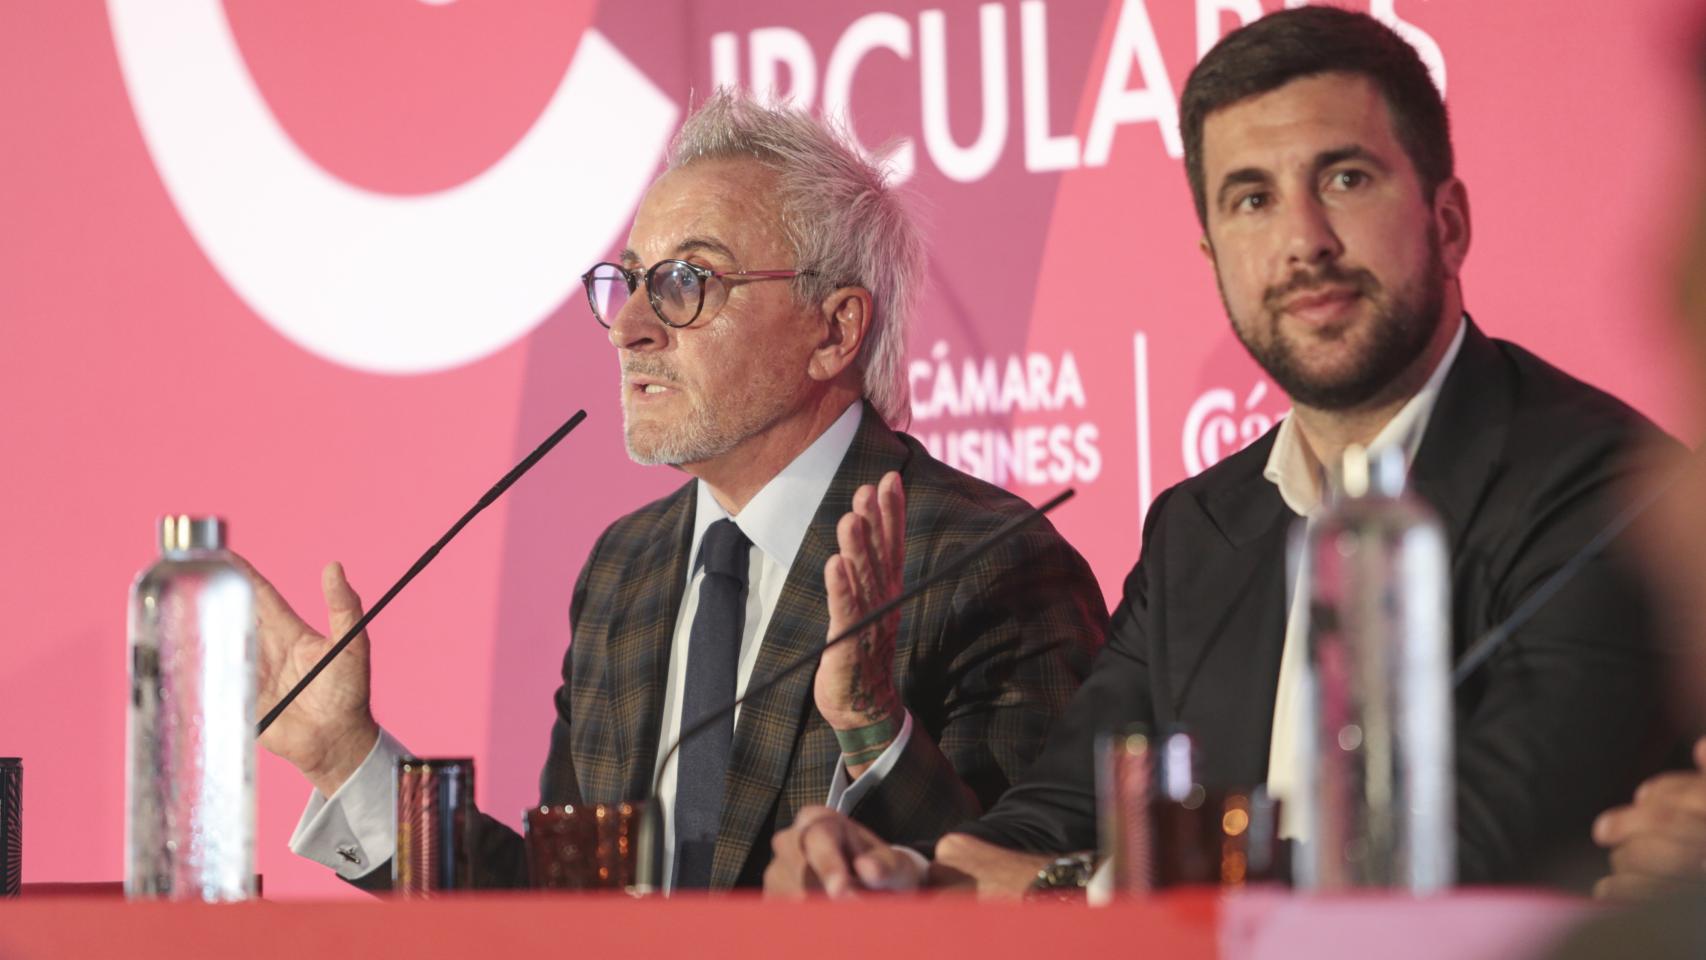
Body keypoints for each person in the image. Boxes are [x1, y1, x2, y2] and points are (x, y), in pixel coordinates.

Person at [765, 6, 1675, 898]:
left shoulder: (1614, 492)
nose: (1303, 241)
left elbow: (1481, 852)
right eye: (1253, 199)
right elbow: (1055, 816)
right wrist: (903, 872)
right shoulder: (1199, 530)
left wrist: (1073, 887)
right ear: (1213, 256)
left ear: (1449, 223)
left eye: (1346, 179)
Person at [250, 89, 1107, 891]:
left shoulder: (989, 564)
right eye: (630, 281)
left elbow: (1032, 898)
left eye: (687, 282)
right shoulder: (624, 570)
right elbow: (565, 912)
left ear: (834, 329)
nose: (628, 328)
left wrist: (873, 727)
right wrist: (346, 758)